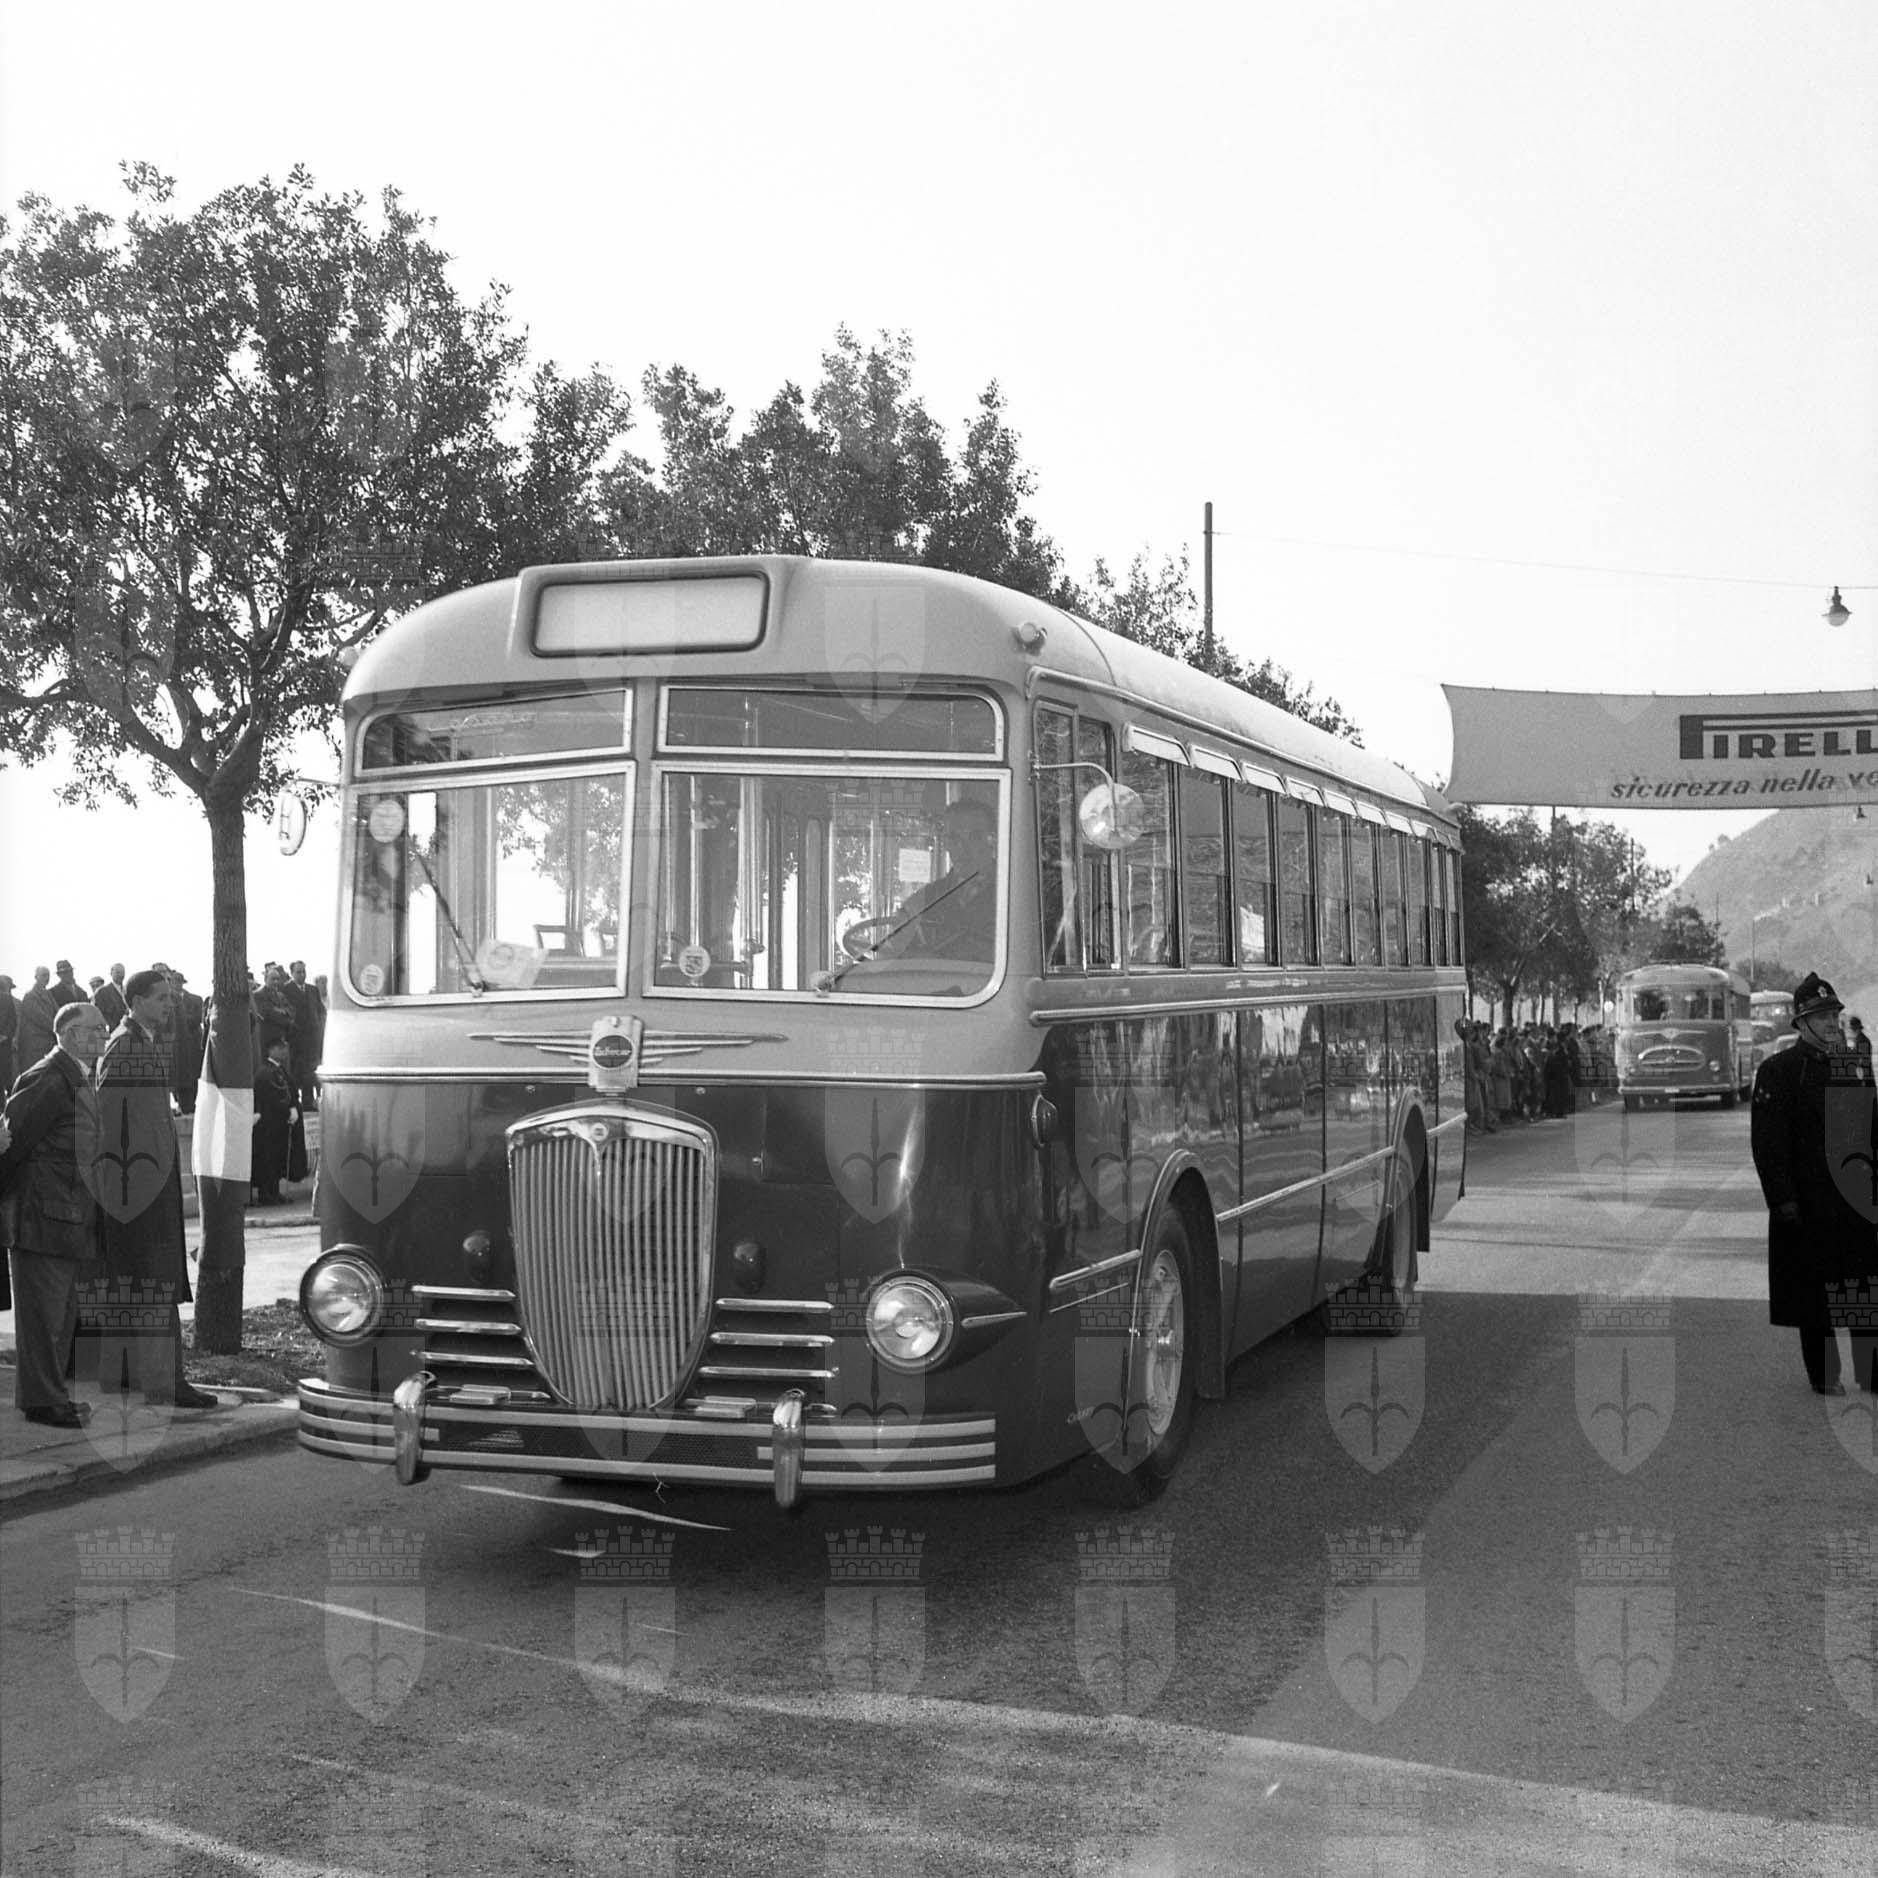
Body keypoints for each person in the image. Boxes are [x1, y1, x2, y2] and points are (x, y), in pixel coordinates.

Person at [1749, 972, 1878, 1397]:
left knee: (1863, 1285)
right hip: (1809, 1200)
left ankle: (1872, 1372)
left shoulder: (1855, 1065)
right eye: (1821, 1016)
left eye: (1833, 1014)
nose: (1830, 1022)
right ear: (1801, 1023)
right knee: (1815, 1293)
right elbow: (1768, 1143)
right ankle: (1824, 1375)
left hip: (1856, 1198)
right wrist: (1783, 1199)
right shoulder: (1780, 1071)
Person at [96, 969, 217, 1410]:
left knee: (143, 1282)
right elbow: (107, 1121)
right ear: (137, 1001)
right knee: (154, 1281)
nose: (171, 1004)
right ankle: (165, 1383)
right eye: (162, 997)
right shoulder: (125, 1046)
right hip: (139, 1189)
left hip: (145, 1185)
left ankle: (130, 1377)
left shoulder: (142, 1042)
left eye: (170, 997)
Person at [0, 1002, 108, 1426]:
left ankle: (51, 1395)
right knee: (43, 1319)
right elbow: (13, 1146)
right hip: (41, 1218)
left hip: (67, 1216)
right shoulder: (47, 1077)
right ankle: (44, 1401)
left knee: (60, 1317)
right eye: (94, 1029)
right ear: (67, 1034)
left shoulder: (76, 1076)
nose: (102, 1036)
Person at [872, 798, 999, 964]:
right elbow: (886, 959)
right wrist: (918, 960)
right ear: (945, 844)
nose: (962, 847)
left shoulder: (1015, 898)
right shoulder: (923, 901)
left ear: (993, 840)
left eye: (974, 837)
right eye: (954, 838)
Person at [251, 1038, 296, 1206]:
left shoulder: (278, 1070)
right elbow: (274, 1098)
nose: (284, 1051)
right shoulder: (266, 1072)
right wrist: (288, 1109)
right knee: (267, 1160)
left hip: (278, 1124)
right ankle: (266, 1193)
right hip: (268, 1125)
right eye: (280, 1048)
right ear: (271, 1050)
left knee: (277, 1159)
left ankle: (275, 1192)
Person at [18, 966, 58, 1070]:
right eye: (44, 975)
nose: (47, 978)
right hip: (35, 1045)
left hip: (48, 1043)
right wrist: (58, 1028)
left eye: (48, 975)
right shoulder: (30, 996)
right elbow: (40, 1018)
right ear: (36, 977)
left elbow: (58, 1013)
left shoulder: (48, 994)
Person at [93, 962, 128, 1030]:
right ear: (111, 973)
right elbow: (98, 1014)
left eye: (123, 972)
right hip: (111, 1031)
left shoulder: (128, 990)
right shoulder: (102, 992)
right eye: (118, 972)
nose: (121, 975)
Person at [0, 974, 17, 1094]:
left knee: (7, 1079)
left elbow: (13, 1020)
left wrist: (5, 1035)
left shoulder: (8, 1000)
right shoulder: (8, 999)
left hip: (5, 1045)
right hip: (5, 1044)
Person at [1850, 1015, 1873, 1085]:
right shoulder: (1859, 1039)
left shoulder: (1861, 1040)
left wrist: (1862, 1079)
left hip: (1864, 1075)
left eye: (1852, 1028)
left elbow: (1862, 1060)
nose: (1851, 1031)